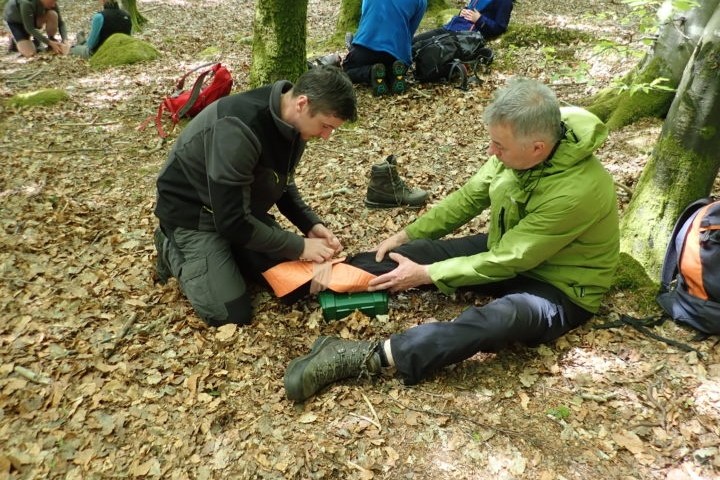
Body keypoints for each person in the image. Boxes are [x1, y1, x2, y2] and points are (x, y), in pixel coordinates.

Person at [284, 77, 620, 402]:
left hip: (561, 287)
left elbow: (513, 260)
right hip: (507, 247)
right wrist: (408, 234)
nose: (492, 151)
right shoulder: (519, 148)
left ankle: (371, 356)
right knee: (417, 254)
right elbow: (469, 198)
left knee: (497, 320)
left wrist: (427, 275)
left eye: (499, 147)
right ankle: (314, 278)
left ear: (537, 148)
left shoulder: (577, 192)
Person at [153, 66, 358, 328]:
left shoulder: (292, 124)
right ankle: (170, 245)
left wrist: (311, 225)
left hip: (237, 208)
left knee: (292, 281)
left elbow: (282, 183)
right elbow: (233, 223)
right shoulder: (239, 129)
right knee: (230, 314)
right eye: (326, 126)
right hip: (192, 215)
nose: (326, 136)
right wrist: (301, 246)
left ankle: (228, 255)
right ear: (302, 104)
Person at [342, 0, 427, 96]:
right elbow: (410, 32)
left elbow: (365, 20)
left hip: (366, 45)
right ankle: (393, 74)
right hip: (397, 53)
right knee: (395, 65)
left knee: (346, 70)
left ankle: (371, 72)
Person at [413, 0, 513, 47]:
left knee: (421, 46)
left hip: (464, 38)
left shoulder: (505, 2)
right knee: (414, 41)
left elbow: (500, 28)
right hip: (450, 27)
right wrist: (462, 12)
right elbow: (470, 9)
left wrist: (479, 20)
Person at [4, 0, 68, 57]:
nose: (54, 4)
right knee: (30, 53)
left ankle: (50, 38)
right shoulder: (26, 3)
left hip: (31, 18)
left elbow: (61, 23)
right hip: (15, 23)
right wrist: (49, 42)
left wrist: (65, 40)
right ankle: (15, 40)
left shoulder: (51, 3)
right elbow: (29, 28)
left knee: (53, 14)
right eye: (53, 1)